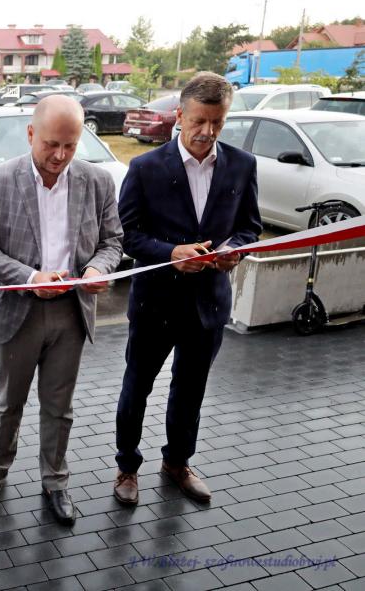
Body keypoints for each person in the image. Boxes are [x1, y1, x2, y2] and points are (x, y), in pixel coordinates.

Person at [0, 95, 123, 524]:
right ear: (31, 133)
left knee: (59, 406)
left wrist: (97, 268)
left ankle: (55, 481)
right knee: (9, 403)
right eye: (51, 144)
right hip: (18, 310)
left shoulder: (97, 181)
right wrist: (31, 277)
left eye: (70, 146)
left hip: (71, 313)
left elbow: (112, 241)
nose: (60, 156)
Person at [112, 72, 262, 506]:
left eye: (217, 122)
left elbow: (250, 227)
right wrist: (171, 253)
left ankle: (177, 463)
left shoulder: (242, 165)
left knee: (190, 390)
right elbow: (126, 235)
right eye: (199, 121)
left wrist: (235, 250)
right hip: (154, 302)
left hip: (207, 305)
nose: (207, 132)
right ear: (179, 115)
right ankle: (127, 467)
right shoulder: (144, 168)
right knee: (136, 388)